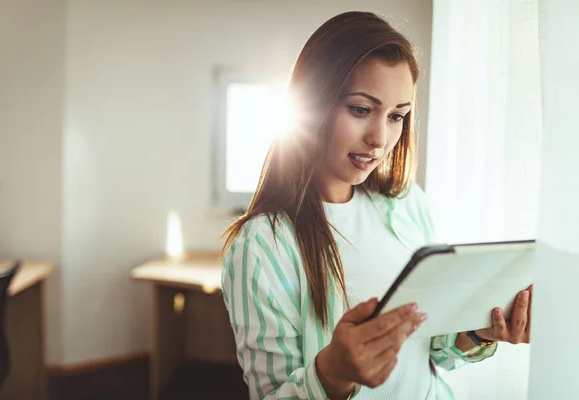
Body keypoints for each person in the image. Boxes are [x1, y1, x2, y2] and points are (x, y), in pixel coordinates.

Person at [220, 11, 531, 400]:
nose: (380, 139)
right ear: (313, 103)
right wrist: (331, 375)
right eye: (362, 110)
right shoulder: (262, 245)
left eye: (397, 116)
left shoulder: (406, 204)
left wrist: (479, 332)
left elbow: (431, 349)